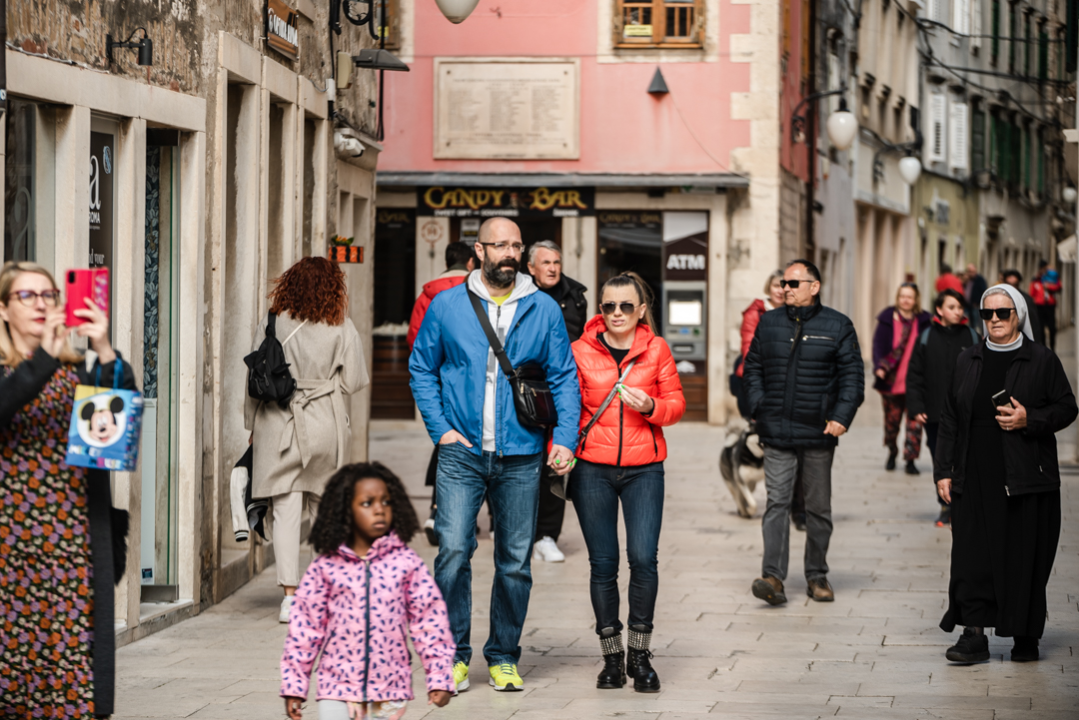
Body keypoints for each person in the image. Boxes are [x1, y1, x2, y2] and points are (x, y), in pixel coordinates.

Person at [409, 216, 581, 693]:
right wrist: (440, 429)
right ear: (479, 251)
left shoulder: (542, 308)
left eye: (516, 246)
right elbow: (422, 367)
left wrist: (564, 437)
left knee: (513, 562)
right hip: (461, 453)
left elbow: (564, 376)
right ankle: (451, 657)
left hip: (522, 454)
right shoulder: (446, 305)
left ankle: (504, 655)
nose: (509, 253)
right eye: (499, 245)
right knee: (454, 553)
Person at [0, 261, 137, 718]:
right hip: (10, 557)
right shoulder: (11, 371)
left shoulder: (77, 375)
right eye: (27, 296)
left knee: (71, 678)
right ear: (3, 309)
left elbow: (116, 443)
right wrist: (43, 360)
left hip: (71, 552)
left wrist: (103, 349)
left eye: (49, 295)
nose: (41, 304)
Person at [934, 285, 1076, 664]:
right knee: (970, 555)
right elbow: (949, 418)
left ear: (1019, 316)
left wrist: (1031, 419)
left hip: (1026, 476)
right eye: (987, 313)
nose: (995, 320)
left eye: (1003, 313)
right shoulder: (968, 359)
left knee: (1024, 555)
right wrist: (943, 472)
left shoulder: (1041, 359)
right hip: (974, 473)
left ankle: (1025, 636)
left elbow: (1067, 407)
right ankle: (973, 636)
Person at [567, 272, 686, 693]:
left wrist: (652, 404)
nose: (615, 313)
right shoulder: (579, 350)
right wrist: (561, 448)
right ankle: (612, 657)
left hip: (644, 469)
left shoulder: (657, 350)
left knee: (643, 558)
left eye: (624, 306)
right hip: (591, 469)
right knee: (603, 565)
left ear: (640, 310)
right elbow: (568, 407)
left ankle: (640, 653)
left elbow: (676, 404)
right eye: (607, 306)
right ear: (600, 310)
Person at [245, 257, 368, 623]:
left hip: (278, 422)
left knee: (284, 509)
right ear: (334, 287)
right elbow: (353, 381)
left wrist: (251, 425)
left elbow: (254, 379)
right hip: (324, 421)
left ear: (291, 283)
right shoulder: (341, 326)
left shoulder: (274, 321)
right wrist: (325, 384)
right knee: (324, 508)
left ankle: (289, 597)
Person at [281, 463, 455, 719]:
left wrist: (439, 676)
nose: (379, 509)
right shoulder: (325, 568)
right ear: (344, 511)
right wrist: (294, 685)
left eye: (386, 502)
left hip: (388, 692)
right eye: (367, 503)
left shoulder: (406, 564)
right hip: (336, 689)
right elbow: (304, 629)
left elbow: (430, 621)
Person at [743, 259, 865, 605]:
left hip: (818, 432)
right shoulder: (769, 322)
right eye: (784, 283)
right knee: (777, 503)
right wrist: (758, 406)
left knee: (817, 508)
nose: (786, 288)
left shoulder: (838, 325)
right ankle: (773, 578)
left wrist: (841, 416)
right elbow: (752, 368)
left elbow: (853, 378)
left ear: (815, 286)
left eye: (794, 283)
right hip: (776, 429)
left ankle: (817, 574)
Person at [407, 241, 478, 546]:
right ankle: (463, 516)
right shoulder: (475, 290)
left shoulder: (428, 294)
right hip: (468, 381)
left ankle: (439, 511)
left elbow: (415, 341)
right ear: (471, 263)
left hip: (437, 381)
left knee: (447, 440)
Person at [526, 239, 589, 563]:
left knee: (557, 461)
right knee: (519, 463)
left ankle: (547, 535)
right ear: (531, 267)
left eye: (556, 262)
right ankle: (517, 530)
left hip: (562, 390)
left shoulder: (575, 296)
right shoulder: (519, 295)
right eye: (546, 262)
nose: (552, 268)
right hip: (523, 390)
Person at [906, 289, 979, 527]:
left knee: (967, 457)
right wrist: (916, 406)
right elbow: (914, 374)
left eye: (960, 308)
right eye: (952, 307)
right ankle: (946, 505)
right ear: (940, 310)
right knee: (941, 457)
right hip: (935, 412)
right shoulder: (926, 337)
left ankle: (965, 502)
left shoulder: (972, 336)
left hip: (968, 414)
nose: (957, 312)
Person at [871, 283, 932, 474]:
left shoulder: (924, 322)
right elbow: (878, 346)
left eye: (910, 297)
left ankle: (911, 460)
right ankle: (892, 450)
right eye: (902, 296)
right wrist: (880, 366)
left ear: (916, 300)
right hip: (891, 382)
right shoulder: (887, 319)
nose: (905, 300)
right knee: (892, 424)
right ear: (898, 298)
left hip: (915, 383)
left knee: (915, 424)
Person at [1002, 269, 1044, 345]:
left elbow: (1035, 325)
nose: (1012, 288)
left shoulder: (1026, 300)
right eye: (1009, 284)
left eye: (1015, 284)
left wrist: (1036, 345)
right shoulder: (998, 299)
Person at [1030, 260, 1061, 351]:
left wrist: (1049, 287)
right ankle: (1043, 347)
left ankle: (1052, 347)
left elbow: (1058, 287)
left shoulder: (1053, 277)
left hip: (1050, 305)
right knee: (1040, 328)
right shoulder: (1035, 279)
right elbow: (1032, 293)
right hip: (1039, 306)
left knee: (1052, 328)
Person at [963, 263, 988, 335]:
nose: (971, 273)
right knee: (968, 322)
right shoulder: (968, 280)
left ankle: (975, 335)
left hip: (975, 305)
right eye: (969, 271)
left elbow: (983, 291)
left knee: (975, 323)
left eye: (972, 272)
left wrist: (977, 301)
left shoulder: (980, 280)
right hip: (967, 305)